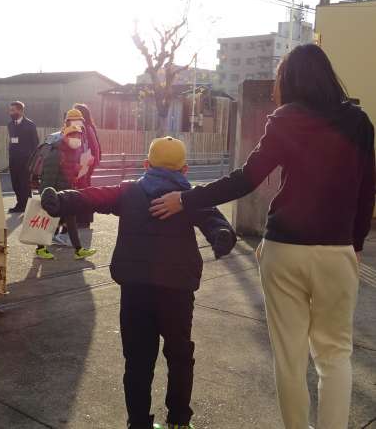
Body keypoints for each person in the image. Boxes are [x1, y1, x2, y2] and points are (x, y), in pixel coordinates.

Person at [149, 45, 376, 429]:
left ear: (290, 81)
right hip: (336, 251)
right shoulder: (359, 123)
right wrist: (354, 244)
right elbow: (367, 189)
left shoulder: (286, 120)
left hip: (284, 250)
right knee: (335, 354)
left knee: (289, 358)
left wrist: (186, 199)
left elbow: (246, 179)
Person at [41, 136, 237, 429]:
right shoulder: (189, 198)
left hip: (135, 289)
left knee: (137, 361)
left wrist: (63, 199)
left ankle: (138, 423)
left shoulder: (129, 191)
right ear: (184, 169)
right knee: (180, 355)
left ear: (146, 165)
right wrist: (222, 235)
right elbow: (214, 220)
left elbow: (95, 196)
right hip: (177, 290)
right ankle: (179, 421)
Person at [36, 124, 96, 260]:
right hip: (54, 195)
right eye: (73, 135)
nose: (77, 138)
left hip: (66, 193)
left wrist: (79, 168)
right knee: (46, 221)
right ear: (65, 137)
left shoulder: (72, 152)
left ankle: (78, 250)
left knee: (71, 220)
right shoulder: (56, 153)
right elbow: (48, 176)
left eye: (79, 136)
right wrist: (46, 197)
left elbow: (67, 172)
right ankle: (40, 249)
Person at [7, 101, 39, 213]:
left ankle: (26, 206)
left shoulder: (30, 125)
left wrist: (32, 160)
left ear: (20, 111)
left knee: (24, 184)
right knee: (15, 183)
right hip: (13, 160)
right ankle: (20, 204)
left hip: (26, 161)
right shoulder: (10, 125)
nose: (10, 112)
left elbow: (35, 143)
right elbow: (12, 141)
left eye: (13, 110)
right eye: (10, 110)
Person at [74, 103, 102, 227]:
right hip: (81, 163)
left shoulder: (87, 127)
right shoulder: (79, 126)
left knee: (84, 191)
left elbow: (95, 147)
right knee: (81, 190)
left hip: (86, 163)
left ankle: (84, 219)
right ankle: (82, 219)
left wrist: (91, 162)